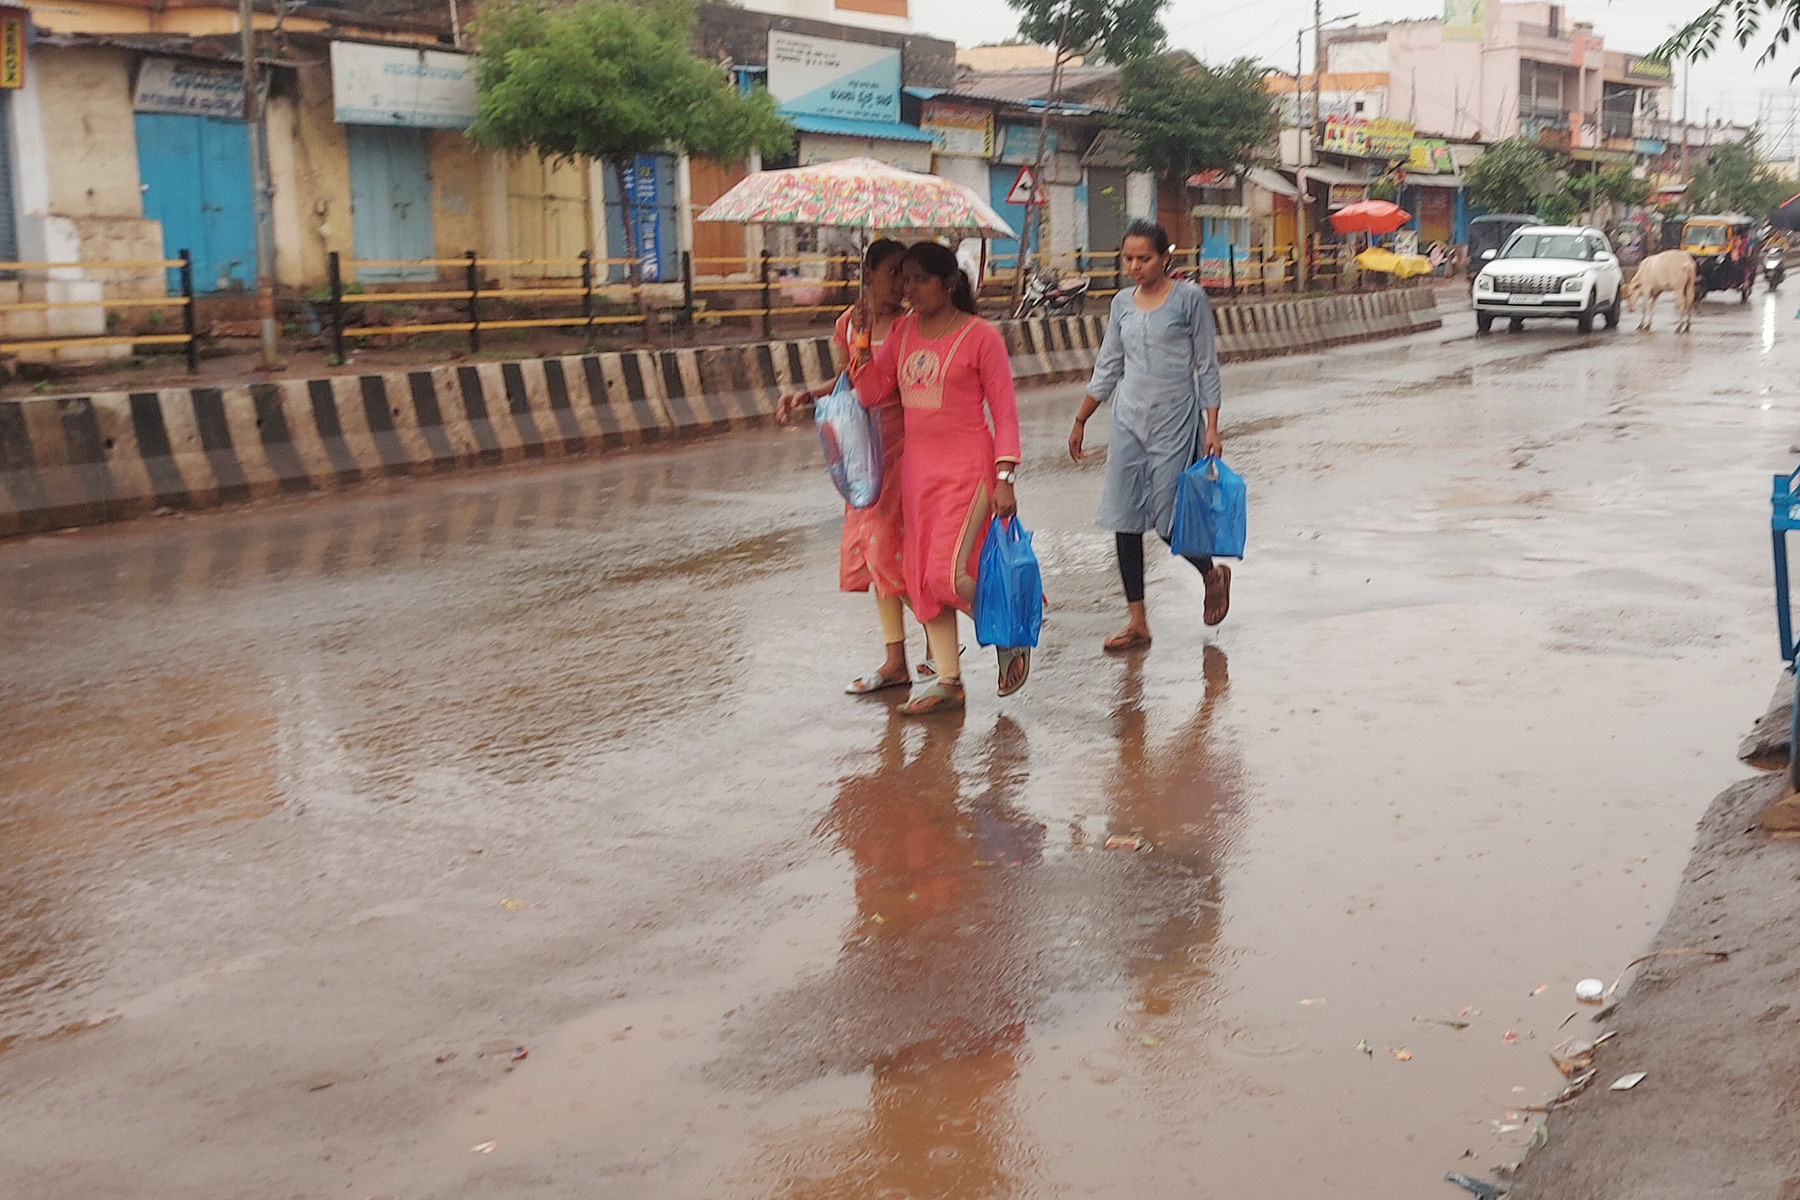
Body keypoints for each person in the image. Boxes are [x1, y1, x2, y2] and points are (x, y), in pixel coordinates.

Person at [856, 241, 1025, 716]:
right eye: (904, 279)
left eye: (918, 279)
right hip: (918, 473)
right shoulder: (904, 333)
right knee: (921, 578)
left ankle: (1006, 630)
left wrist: (1004, 474)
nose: (908, 289)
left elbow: (1005, 412)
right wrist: (863, 343)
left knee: (948, 573)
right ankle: (948, 681)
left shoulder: (979, 336)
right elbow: (871, 393)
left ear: (947, 283)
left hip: (968, 470)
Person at [1068, 219, 1231, 652]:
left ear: (1165, 259)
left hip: (1175, 422)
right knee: (1123, 519)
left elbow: (1206, 367)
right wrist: (1083, 417)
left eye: (1145, 258)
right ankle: (1137, 621)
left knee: (1166, 521)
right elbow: (1109, 364)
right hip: (1128, 422)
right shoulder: (1121, 303)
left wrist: (1211, 426)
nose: (1136, 266)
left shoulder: (1188, 300)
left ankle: (1211, 574)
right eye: (1129, 258)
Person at [777, 240, 927, 695]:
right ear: (869, 273)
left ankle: (935, 647)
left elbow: (897, 383)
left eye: (908, 273)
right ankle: (897, 658)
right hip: (864, 453)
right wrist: (809, 395)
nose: (902, 283)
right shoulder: (847, 323)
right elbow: (848, 383)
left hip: (906, 446)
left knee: (901, 551)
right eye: (894, 273)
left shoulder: (912, 325)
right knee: (879, 554)